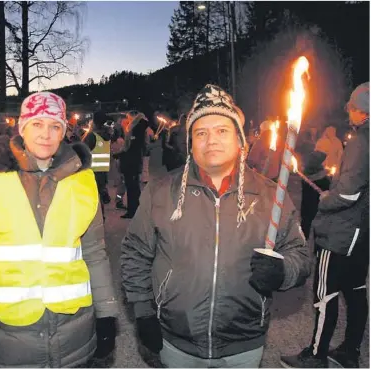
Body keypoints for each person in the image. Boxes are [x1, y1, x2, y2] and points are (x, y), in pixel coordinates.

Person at [121, 84, 311, 368]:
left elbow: (300, 254)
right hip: (177, 342)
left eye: (222, 130)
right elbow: (135, 253)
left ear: (239, 139)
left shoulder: (271, 195)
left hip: (243, 345)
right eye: (201, 132)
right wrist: (143, 310)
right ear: (190, 142)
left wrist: (283, 271)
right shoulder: (160, 192)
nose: (211, 140)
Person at [0, 91, 119, 367]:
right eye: (37, 124)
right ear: (21, 128)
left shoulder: (84, 182)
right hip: (13, 336)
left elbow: (94, 252)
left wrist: (106, 313)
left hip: (75, 330)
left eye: (55, 126)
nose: (46, 134)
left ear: (63, 133)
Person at [280, 82, 369, 369]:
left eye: (353, 109)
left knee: (325, 294)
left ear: (362, 112)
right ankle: (350, 351)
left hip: (341, 232)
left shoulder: (361, 141)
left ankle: (316, 355)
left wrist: (328, 198)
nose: (350, 115)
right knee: (355, 291)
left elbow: (349, 193)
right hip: (361, 233)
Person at [299, 125, 344, 238]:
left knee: (309, 213)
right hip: (326, 174)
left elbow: (338, 156)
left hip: (324, 173)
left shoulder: (322, 143)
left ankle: (307, 234)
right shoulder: (329, 142)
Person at [116, 111, 147, 219]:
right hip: (134, 161)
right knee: (134, 187)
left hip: (131, 162)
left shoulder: (137, 128)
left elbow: (131, 147)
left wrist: (121, 153)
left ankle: (132, 210)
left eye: (129, 118)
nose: (128, 121)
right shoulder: (140, 127)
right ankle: (135, 209)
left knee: (132, 187)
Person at [82, 111, 113, 208]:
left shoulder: (92, 136)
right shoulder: (106, 136)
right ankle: (101, 219)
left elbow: (83, 152)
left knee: (91, 200)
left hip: (92, 171)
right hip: (103, 172)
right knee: (98, 199)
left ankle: (96, 221)